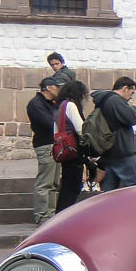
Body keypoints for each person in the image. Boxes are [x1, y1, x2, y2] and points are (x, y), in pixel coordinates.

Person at [91, 77, 136, 190]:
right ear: (125, 88)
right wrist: (135, 108)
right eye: (131, 93)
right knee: (133, 188)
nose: (131, 97)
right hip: (122, 150)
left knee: (110, 190)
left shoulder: (105, 100)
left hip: (111, 151)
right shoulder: (115, 100)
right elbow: (130, 119)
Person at [26, 77, 61, 223]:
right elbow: (48, 122)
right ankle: (41, 215)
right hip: (45, 144)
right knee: (45, 182)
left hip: (54, 144)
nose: (60, 90)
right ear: (49, 88)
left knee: (54, 183)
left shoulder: (50, 103)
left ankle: (50, 214)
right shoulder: (36, 104)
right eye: (57, 87)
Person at [54, 80, 89, 214]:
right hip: (74, 149)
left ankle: (60, 215)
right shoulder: (71, 105)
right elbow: (80, 129)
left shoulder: (59, 106)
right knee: (72, 187)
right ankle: (62, 216)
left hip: (64, 149)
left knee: (67, 186)